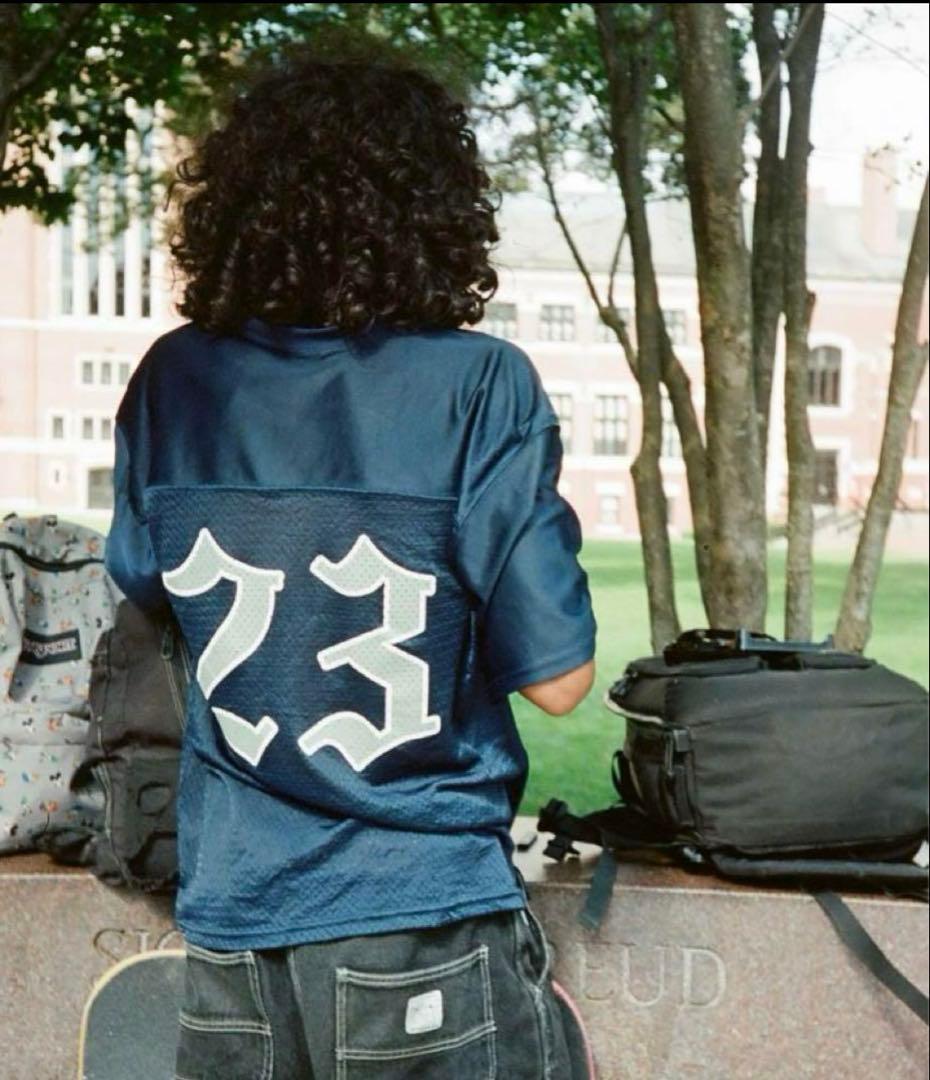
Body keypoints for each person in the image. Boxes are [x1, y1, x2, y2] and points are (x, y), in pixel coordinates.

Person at [105, 32, 597, 1080]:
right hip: (421, 910)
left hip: (234, 924)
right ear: (436, 210)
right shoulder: (482, 386)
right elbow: (560, 682)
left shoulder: (171, 383)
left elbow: (147, 589)